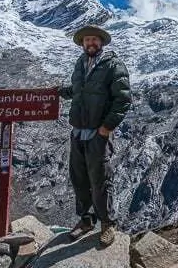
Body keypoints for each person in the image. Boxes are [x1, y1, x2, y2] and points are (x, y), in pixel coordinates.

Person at [57, 25, 132, 246]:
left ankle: (107, 223)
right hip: (78, 131)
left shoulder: (113, 65)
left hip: (98, 134)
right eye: (87, 40)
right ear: (83, 43)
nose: (90, 43)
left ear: (101, 43)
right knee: (79, 177)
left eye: (94, 40)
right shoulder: (80, 64)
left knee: (100, 179)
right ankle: (86, 219)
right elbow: (80, 90)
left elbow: (123, 100)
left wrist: (106, 128)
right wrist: (62, 91)